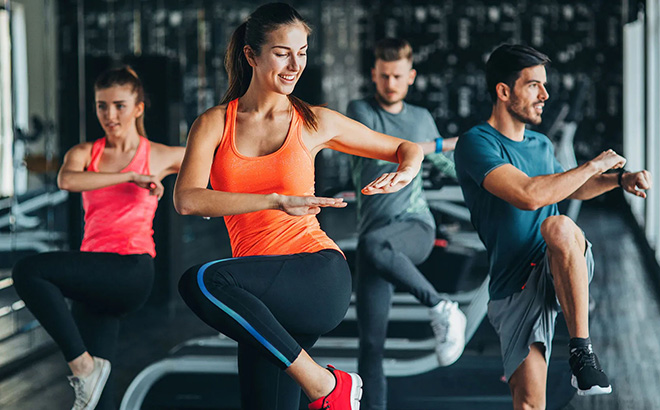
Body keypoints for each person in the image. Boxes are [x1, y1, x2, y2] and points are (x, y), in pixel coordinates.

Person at [173, 4, 427, 410]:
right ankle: (324, 386)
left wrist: (406, 171)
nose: (295, 65)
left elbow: (405, 148)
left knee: (202, 282)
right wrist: (274, 200)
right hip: (262, 294)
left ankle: (327, 386)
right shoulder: (214, 124)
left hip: (316, 275)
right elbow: (187, 198)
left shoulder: (313, 122)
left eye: (303, 52)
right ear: (251, 54)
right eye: (282, 52)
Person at [454, 44, 652, 408]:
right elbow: (528, 195)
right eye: (533, 85)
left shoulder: (541, 144)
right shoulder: (475, 143)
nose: (545, 95)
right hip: (513, 283)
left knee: (558, 226)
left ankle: (581, 352)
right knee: (530, 402)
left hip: (558, 260)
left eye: (544, 85)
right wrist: (595, 165)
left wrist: (619, 179)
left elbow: (567, 186)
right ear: (503, 91)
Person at [11, 66, 185, 410]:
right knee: (96, 399)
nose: (110, 115)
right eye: (101, 106)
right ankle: (89, 371)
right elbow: (67, 181)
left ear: (138, 108)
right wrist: (130, 176)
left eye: (119, 105)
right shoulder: (85, 153)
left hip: (130, 272)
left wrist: (190, 194)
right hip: (94, 277)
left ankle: (83, 367)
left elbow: (215, 164)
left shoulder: (161, 154)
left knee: (28, 272)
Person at [346, 37, 466, 410]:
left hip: (415, 227)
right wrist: (437, 143)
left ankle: (441, 308)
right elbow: (385, 152)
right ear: (374, 75)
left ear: (411, 76)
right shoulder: (360, 110)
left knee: (372, 246)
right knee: (370, 343)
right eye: (383, 76)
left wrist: (480, 161)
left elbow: (447, 166)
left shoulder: (421, 118)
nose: (390, 83)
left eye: (398, 76)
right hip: (374, 237)